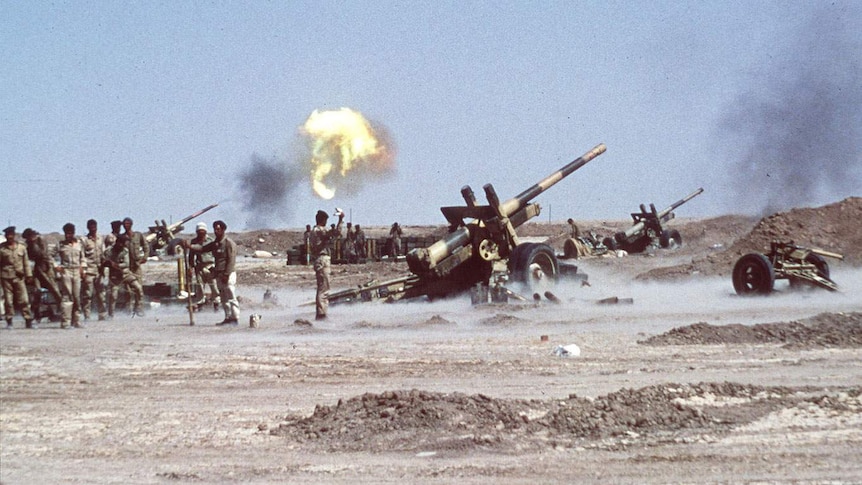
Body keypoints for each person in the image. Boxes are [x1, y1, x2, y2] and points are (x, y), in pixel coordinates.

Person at [187, 220, 239, 325]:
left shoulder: (229, 243)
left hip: (227, 274)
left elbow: (231, 260)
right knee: (223, 297)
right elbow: (202, 248)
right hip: (219, 273)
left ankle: (235, 317)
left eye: (218, 229)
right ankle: (228, 317)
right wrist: (190, 246)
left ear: (223, 230)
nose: (216, 231)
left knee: (230, 295)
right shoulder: (215, 243)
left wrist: (226, 274)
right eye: (215, 229)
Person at [22, 228, 62, 322]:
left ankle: (62, 311)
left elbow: (44, 254)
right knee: (37, 291)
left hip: (47, 268)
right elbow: (30, 258)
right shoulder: (28, 246)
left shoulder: (41, 241)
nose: (31, 238)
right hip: (37, 270)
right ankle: (36, 313)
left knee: (55, 291)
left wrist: (48, 267)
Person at [310, 209, 344, 320]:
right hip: (322, 260)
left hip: (321, 259)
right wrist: (340, 219)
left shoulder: (317, 230)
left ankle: (321, 312)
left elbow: (334, 234)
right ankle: (321, 314)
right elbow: (334, 233)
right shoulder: (318, 230)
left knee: (323, 287)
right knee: (324, 288)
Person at [0, 226, 35, 329]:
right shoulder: (1, 248)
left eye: (11, 235)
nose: (9, 237)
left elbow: (26, 262)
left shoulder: (21, 247)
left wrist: (29, 275)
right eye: (7, 235)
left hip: (19, 277)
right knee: (8, 300)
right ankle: (9, 321)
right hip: (6, 277)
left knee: (24, 299)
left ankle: (28, 319)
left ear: (14, 235)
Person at [53, 223, 86, 328]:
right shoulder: (61, 245)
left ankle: (76, 320)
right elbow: (50, 256)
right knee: (67, 296)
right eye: (67, 233)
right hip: (66, 271)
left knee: (76, 296)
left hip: (77, 271)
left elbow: (83, 258)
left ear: (74, 232)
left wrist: (83, 269)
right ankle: (65, 322)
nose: (68, 235)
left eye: (70, 233)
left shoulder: (79, 244)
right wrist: (56, 266)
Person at [104, 235, 144, 317]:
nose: (122, 245)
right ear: (117, 242)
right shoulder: (109, 251)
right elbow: (105, 261)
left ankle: (138, 307)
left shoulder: (125, 251)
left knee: (138, 288)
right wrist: (109, 264)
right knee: (113, 295)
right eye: (121, 243)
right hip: (115, 276)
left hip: (126, 274)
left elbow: (126, 264)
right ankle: (111, 314)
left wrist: (115, 264)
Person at [80, 219, 107, 320]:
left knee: (101, 294)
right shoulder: (84, 240)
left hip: (99, 270)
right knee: (88, 295)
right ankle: (87, 315)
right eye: (91, 227)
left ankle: (102, 315)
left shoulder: (100, 239)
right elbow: (82, 255)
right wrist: (83, 269)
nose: (93, 228)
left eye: (94, 226)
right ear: (88, 228)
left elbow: (103, 253)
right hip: (89, 270)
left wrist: (105, 264)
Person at [188, 222, 218, 306]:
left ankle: (216, 302)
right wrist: (190, 267)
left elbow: (217, 254)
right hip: (199, 267)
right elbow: (191, 256)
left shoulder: (211, 241)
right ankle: (200, 302)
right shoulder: (194, 242)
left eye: (202, 232)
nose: (200, 234)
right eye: (199, 232)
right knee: (200, 287)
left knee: (214, 286)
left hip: (210, 266)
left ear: (205, 232)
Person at [122, 217, 148, 312]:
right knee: (128, 290)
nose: (126, 225)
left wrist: (144, 258)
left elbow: (146, 246)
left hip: (136, 266)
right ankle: (128, 310)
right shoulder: (122, 237)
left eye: (128, 223)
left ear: (131, 224)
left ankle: (139, 308)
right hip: (127, 267)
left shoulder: (138, 235)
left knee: (139, 288)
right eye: (125, 224)